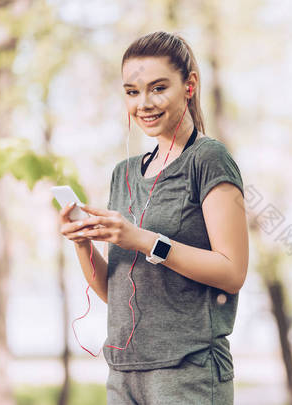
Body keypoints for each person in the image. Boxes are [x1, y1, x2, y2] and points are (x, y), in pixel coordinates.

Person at [58, 31, 249, 404]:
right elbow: (114, 293)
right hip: (123, 374)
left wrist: (142, 239)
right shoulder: (124, 174)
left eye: (158, 88)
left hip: (187, 374)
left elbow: (233, 272)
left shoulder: (207, 160)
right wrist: (82, 242)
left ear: (189, 86)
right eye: (132, 91)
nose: (143, 103)